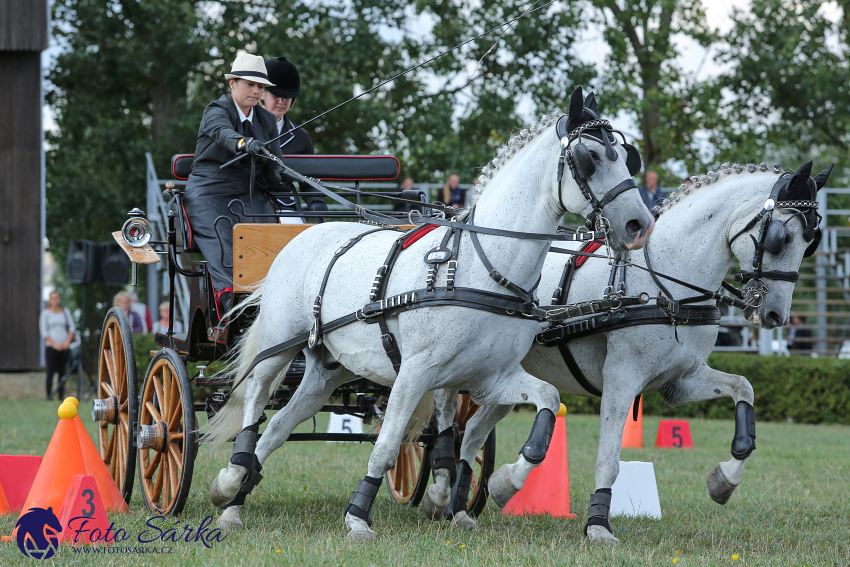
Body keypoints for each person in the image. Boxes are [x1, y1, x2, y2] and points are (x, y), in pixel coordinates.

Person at [182, 53, 286, 317]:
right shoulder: (216, 110)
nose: (256, 90)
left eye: (260, 86)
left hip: (249, 192)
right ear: (232, 84)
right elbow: (223, 133)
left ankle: (277, 303)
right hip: (209, 191)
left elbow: (274, 164)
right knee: (226, 248)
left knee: (270, 247)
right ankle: (234, 308)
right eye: (249, 84)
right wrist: (243, 143)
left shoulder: (266, 120)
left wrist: (280, 174)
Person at [261, 57, 327, 223]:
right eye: (276, 95)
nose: (281, 101)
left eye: (287, 97)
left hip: (285, 207)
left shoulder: (301, 137)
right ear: (262, 93)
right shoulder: (243, 127)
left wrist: (317, 201)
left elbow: (308, 180)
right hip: (249, 205)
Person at [40, 291, 75, 400]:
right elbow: (44, 331)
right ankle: (49, 396)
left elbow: (72, 328)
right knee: (50, 372)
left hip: (64, 346)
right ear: (50, 300)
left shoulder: (65, 312)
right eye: (53, 298)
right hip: (51, 347)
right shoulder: (46, 313)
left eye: (57, 298)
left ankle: (61, 396)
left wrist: (66, 343)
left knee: (62, 372)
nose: (55, 300)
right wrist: (54, 345)